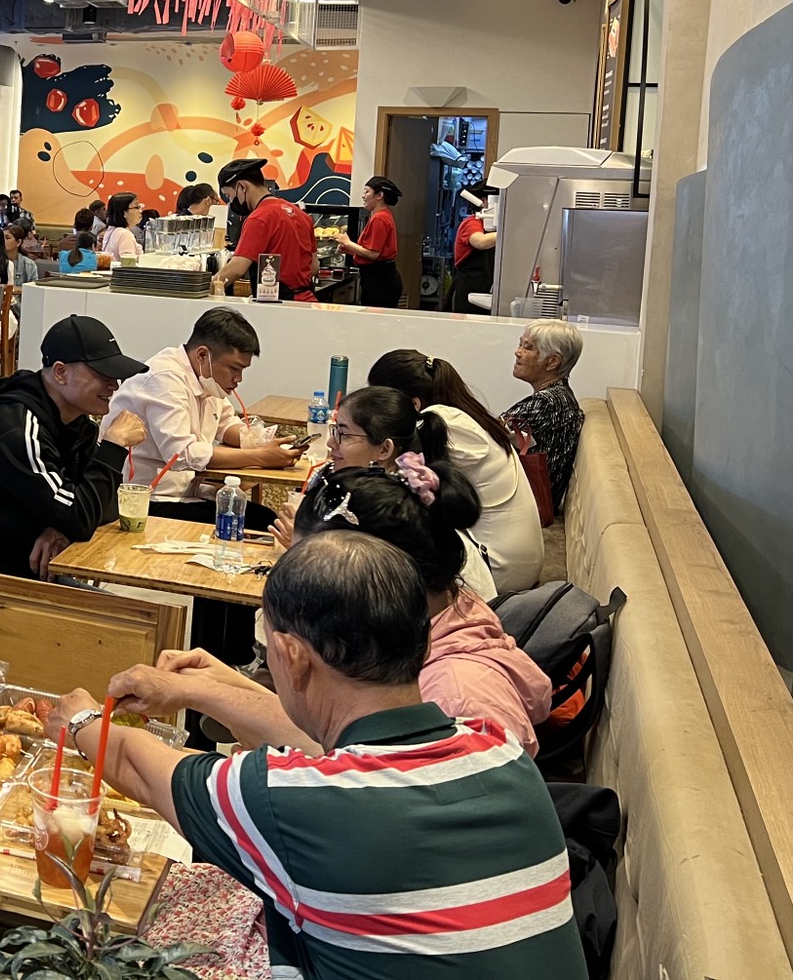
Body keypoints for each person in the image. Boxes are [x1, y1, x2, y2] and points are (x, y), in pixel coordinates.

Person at [48, 533, 585, 979]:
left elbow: (136, 767)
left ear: (290, 656)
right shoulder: (498, 749)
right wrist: (207, 690)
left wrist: (77, 718)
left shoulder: (289, 798)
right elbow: (339, 750)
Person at [122, 464, 549, 758]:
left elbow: (363, 782)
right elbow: (346, 750)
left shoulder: (458, 697)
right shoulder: (440, 617)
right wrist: (216, 688)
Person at [0, 316, 146, 587]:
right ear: (60, 372)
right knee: (131, 624)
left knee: (132, 621)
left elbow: (104, 505)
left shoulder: (76, 424)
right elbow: (81, 515)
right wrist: (112, 446)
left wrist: (62, 526)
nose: (114, 385)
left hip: (20, 568)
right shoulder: (16, 431)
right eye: (102, 374)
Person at [275, 386, 498, 603]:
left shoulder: (393, 510)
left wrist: (304, 547)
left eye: (343, 434)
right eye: (334, 431)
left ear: (384, 449)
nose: (331, 443)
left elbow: (360, 594)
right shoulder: (393, 491)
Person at [368, 349, 541, 594]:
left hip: (498, 568)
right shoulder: (463, 414)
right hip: (515, 559)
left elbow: (405, 491)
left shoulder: (441, 423)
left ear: (413, 404)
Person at [108, 307, 302, 515]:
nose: (239, 379)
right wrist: (260, 457)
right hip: (148, 501)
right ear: (203, 355)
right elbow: (181, 454)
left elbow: (227, 425)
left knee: (264, 517)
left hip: (191, 491)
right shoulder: (164, 379)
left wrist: (263, 441)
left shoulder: (206, 378)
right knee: (264, 522)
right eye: (234, 368)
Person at [505, 321, 586, 513]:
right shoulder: (562, 396)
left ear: (552, 362)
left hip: (527, 506)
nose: (518, 352)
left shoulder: (546, 404)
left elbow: (488, 432)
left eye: (528, 347)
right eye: (520, 344)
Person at [215, 157, 317, 300]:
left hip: (282, 307)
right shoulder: (301, 214)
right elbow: (314, 267)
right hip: (307, 301)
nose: (231, 202)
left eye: (229, 195)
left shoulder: (259, 218)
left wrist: (206, 287)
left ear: (242, 187)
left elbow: (237, 268)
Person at [337, 176, 403, 307]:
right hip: (380, 278)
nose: (363, 196)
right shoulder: (383, 215)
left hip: (380, 281)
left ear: (379, 195)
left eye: (367, 192)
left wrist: (347, 242)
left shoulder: (379, 218)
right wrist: (350, 250)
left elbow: (373, 254)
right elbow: (373, 252)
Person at [447, 188, 497, 313]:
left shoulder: (493, 228)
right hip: (467, 290)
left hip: (487, 288)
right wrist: (507, 230)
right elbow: (481, 242)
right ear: (484, 201)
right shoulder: (471, 223)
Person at [95, 192, 139, 262]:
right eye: (137, 207)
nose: (140, 211)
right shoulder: (125, 234)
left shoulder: (112, 230)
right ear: (124, 213)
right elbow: (128, 264)